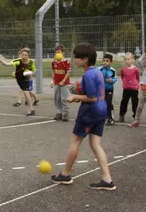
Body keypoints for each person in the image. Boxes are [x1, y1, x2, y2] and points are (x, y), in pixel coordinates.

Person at [51, 43, 115, 191]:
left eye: (77, 57)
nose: (74, 59)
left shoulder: (88, 75)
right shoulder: (98, 72)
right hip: (101, 110)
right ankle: (107, 179)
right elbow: (97, 93)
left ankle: (65, 174)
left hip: (90, 112)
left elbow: (91, 97)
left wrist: (74, 97)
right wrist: (80, 89)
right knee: (95, 144)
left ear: (85, 59)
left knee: (75, 142)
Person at [0, 49, 37, 116]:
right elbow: (6, 64)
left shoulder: (31, 62)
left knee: (26, 93)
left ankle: (32, 110)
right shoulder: (18, 61)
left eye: (25, 55)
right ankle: (30, 107)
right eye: (22, 55)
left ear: (28, 56)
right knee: (26, 93)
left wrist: (31, 73)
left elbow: (34, 69)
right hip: (19, 79)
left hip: (26, 79)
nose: (23, 56)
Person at [50, 45, 71, 122]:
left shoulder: (66, 62)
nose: (57, 54)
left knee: (64, 98)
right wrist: (52, 81)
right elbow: (53, 72)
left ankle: (65, 114)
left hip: (64, 83)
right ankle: (59, 113)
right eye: (55, 53)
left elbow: (68, 72)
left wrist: (63, 81)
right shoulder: (53, 62)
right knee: (57, 98)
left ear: (63, 53)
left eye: (58, 52)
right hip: (56, 83)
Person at [118, 53, 140, 123]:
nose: (127, 61)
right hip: (126, 89)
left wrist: (135, 85)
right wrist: (125, 83)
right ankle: (121, 116)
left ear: (133, 60)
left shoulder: (136, 69)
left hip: (134, 89)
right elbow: (122, 77)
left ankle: (136, 117)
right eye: (126, 59)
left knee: (135, 103)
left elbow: (137, 78)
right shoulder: (123, 69)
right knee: (124, 102)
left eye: (129, 59)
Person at [99, 54, 118, 125]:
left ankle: (110, 118)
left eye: (107, 61)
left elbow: (115, 78)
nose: (105, 62)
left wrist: (112, 80)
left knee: (108, 102)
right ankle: (101, 116)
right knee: (100, 103)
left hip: (109, 89)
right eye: (103, 61)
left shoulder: (112, 70)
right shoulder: (99, 69)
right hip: (101, 89)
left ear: (111, 62)